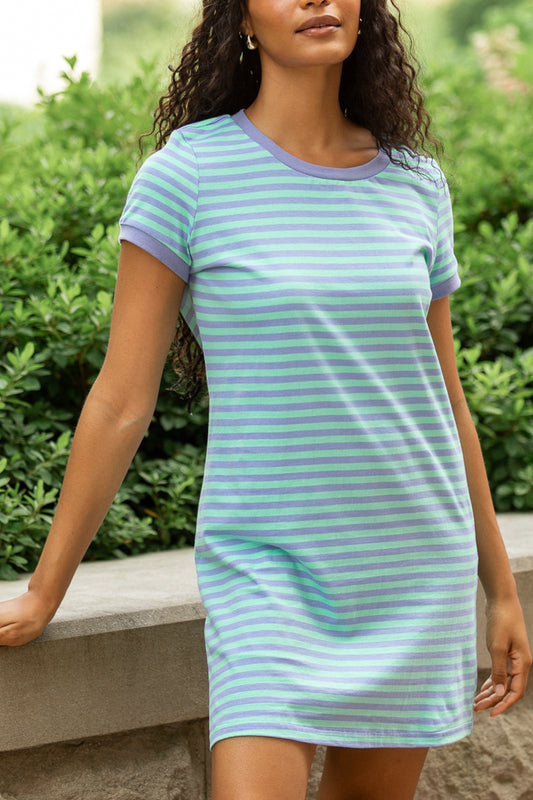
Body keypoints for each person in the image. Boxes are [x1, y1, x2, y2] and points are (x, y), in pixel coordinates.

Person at [0, 0, 531, 798]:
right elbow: (120, 400)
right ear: (241, 20)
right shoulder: (188, 174)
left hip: (413, 565)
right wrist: (46, 591)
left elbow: (446, 403)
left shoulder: (415, 183)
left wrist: (501, 590)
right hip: (267, 574)